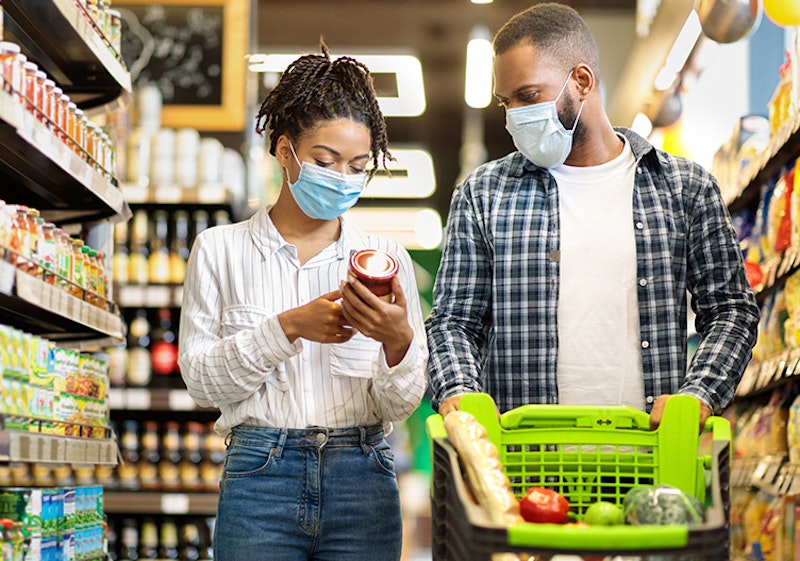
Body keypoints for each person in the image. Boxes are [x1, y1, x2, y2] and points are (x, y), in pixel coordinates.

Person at [425, 3, 759, 430]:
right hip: (523, 464)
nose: (514, 116)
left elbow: (732, 310)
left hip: (649, 459)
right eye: (506, 102)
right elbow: (453, 322)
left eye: (528, 96)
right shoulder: (484, 194)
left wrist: (699, 395)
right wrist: (459, 391)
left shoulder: (685, 189)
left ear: (581, 81)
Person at [178, 41, 428, 561]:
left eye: (358, 164)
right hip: (258, 478)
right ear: (285, 150)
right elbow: (201, 383)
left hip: (363, 476)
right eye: (325, 159)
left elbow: (397, 406)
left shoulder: (385, 259)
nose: (342, 177)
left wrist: (398, 341)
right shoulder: (220, 250)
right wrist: (287, 328)